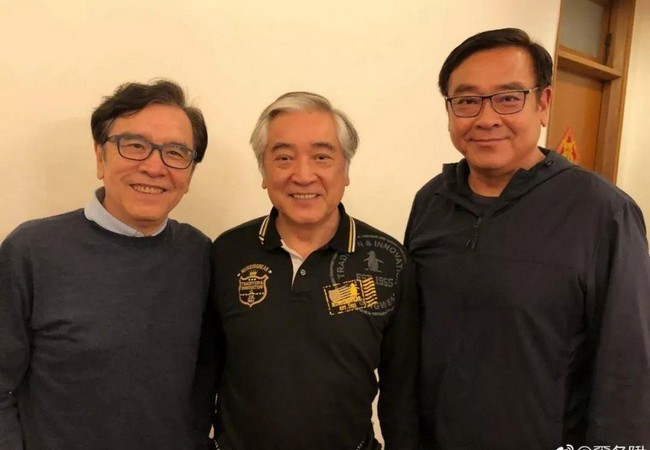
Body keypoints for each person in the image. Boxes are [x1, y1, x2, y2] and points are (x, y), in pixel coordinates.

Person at [405, 28, 650, 449]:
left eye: (508, 98)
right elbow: (409, 343)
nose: (486, 119)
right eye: (467, 101)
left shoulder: (603, 212)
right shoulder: (432, 201)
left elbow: (626, 371)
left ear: (544, 103)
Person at [0, 80, 217, 450]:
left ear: (190, 174)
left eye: (176, 153)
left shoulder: (200, 255)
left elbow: (205, 379)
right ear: (100, 157)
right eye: (135, 146)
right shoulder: (31, 251)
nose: (154, 167)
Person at [210, 92, 419, 449]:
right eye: (284, 158)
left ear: (345, 169)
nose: (303, 175)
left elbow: (403, 390)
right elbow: (203, 373)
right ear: (263, 171)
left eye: (322, 157)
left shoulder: (388, 260)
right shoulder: (226, 253)